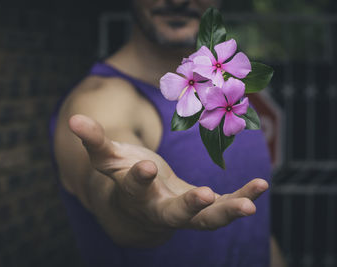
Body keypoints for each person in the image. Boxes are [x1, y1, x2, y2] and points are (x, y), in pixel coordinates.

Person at [50, 0, 287, 266]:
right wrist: (136, 205)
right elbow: (107, 189)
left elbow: (254, 226)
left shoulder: (227, 92)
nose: (177, 1)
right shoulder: (100, 99)